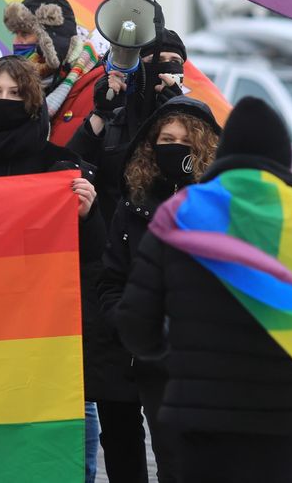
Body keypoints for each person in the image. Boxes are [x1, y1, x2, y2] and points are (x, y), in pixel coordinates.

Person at [117, 98, 292, 483]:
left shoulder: (180, 213)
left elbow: (135, 322)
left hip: (195, 412)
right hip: (279, 414)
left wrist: (175, 356)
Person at [0, 56, 104, 482]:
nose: (4, 101)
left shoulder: (61, 167)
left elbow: (94, 255)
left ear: (32, 103)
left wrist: (87, 214)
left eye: (15, 93)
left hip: (42, 336)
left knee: (57, 440)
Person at [96, 96, 221, 483]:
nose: (174, 148)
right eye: (166, 139)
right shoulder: (132, 207)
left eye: (185, 141)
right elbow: (110, 282)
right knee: (171, 458)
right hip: (152, 362)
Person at [67, 28, 188, 228]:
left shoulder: (195, 121)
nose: (166, 66)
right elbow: (71, 164)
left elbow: (199, 179)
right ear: (138, 68)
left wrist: (179, 116)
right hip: (109, 243)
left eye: (175, 61)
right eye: (154, 60)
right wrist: (101, 113)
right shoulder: (115, 118)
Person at [2, 0, 105, 145]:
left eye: (24, 33)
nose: (17, 42)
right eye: (15, 34)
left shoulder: (101, 87)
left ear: (51, 40)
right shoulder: (15, 88)